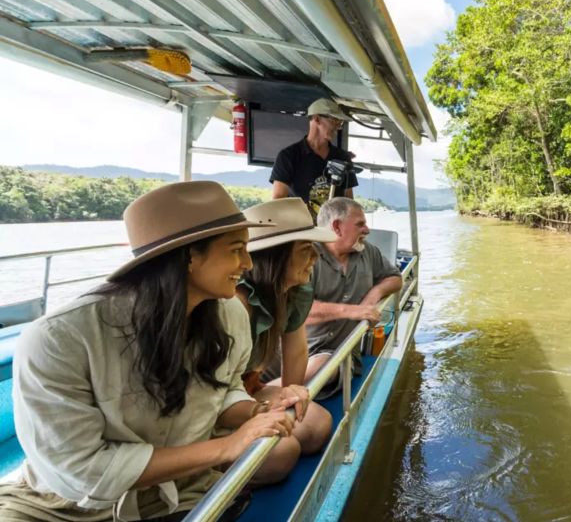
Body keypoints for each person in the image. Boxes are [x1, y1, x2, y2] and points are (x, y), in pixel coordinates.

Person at [0, 181, 298, 522]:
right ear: (189, 256)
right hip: (65, 509)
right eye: (235, 250)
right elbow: (81, 470)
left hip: (179, 493)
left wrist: (255, 411)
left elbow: (224, 389)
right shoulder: (60, 340)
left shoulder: (228, 314)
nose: (247, 263)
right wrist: (226, 446)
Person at [235, 198, 336, 480]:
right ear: (275, 257)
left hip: (249, 389)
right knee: (283, 453)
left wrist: (290, 396)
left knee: (316, 426)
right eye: (306, 249)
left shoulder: (292, 292)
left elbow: (296, 350)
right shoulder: (237, 303)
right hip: (220, 404)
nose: (315, 258)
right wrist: (260, 411)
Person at [302, 197, 402, 390]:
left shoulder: (368, 252)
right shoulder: (306, 257)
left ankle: (271, 395)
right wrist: (353, 311)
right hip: (302, 348)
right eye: (360, 224)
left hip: (342, 352)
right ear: (337, 227)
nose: (367, 230)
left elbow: (395, 278)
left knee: (325, 365)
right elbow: (296, 311)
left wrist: (373, 295)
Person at [270, 98, 359, 219]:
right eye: (335, 120)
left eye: (340, 123)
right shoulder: (289, 156)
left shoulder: (342, 157)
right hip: (300, 230)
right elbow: (277, 201)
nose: (338, 127)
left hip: (332, 232)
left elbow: (349, 201)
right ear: (317, 119)